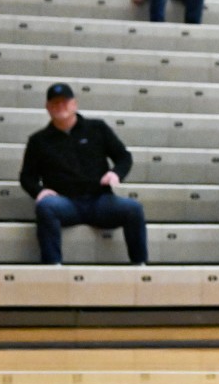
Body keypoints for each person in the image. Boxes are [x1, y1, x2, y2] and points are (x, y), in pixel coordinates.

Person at [18, 83, 148, 266]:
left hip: (100, 200)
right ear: (47, 108)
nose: (59, 106)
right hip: (65, 203)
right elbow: (27, 176)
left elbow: (123, 157)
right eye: (54, 103)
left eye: (64, 102)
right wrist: (39, 192)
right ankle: (52, 266)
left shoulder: (97, 128)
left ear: (74, 104)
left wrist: (115, 174)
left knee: (133, 208)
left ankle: (139, 265)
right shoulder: (38, 140)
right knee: (45, 207)